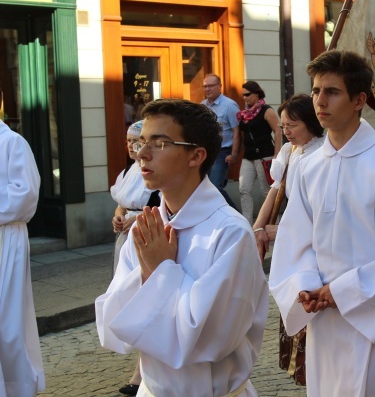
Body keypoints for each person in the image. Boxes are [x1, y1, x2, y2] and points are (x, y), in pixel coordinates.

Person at [269, 50, 375, 396]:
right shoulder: (309, 167)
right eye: (315, 91)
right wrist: (307, 286)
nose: (320, 101)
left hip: (371, 316)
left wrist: (341, 292)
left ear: (359, 100)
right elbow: (296, 241)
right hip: (324, 321)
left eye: (332, 92)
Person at [95, 99, 269, 396]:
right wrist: (148, 274)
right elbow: (113, 324)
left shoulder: (230, 232)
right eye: (141, 142)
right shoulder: (145, 228)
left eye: (159, 143)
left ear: (196, 155)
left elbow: (211, 337)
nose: (142, 154)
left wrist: (162, 270)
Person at [252, 94, 324, 386]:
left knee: (309, 296)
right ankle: (299, 367)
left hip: (311, 238)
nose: (287, 132)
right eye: (283, 126)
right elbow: (275, 190)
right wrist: (257, 227)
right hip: (292, 230)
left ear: (311, 123)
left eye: (292, 125)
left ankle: (316, 366)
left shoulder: (322, 155)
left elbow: (321, 219)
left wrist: (279, 232)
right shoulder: (290, 152)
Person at [109, 120, 160, 396]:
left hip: (145, 235)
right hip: (125, 238)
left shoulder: (155, 171)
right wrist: (118, 217)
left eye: (136, 141)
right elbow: (122, 202)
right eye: (128, 142)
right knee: (128, 298)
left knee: (145, 299)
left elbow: (161, 205)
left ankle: (141, 372)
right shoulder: (128, 170)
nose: (132, 147)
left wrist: (138, 219)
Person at [0, 119, 45, 396]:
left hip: (6, 238)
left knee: (8, 322)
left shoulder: (12, 142)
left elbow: (25, 194)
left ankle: (15, 386)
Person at [237, 80, 282, 222]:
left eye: (247, 94)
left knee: (266, 191)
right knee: (244, 189)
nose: (244, 98)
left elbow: (278, 131)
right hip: (248, 156)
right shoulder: (244, 114)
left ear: (256, 93)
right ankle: (247, 223)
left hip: (264, 155)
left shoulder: (266, 110)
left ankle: (269, 221)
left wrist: (276, 154)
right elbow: (240, 135)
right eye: (243, 95)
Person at [201, 74, 240, 210]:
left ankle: (236, 215)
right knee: (203, 186)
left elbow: (237, 131)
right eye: (205, 86)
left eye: (211, 86)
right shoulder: (202, 106)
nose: (207, 89)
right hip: (206, 152)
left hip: (222, 152)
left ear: (219, 87)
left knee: (216, 187)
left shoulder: (229, 106)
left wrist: (234, 154)